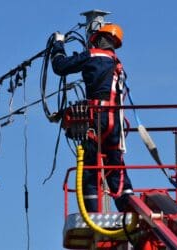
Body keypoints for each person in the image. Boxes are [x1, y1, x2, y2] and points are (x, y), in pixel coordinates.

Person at [51, 24, 133, 212]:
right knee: (116, 166)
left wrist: (58, 45)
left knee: (90, 170)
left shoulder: (92, 56)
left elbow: (60, 67)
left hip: (96, 119)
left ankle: (93, 214)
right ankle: (128, 207)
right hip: (115, 123)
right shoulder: (117, 64)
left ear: (96, 39)